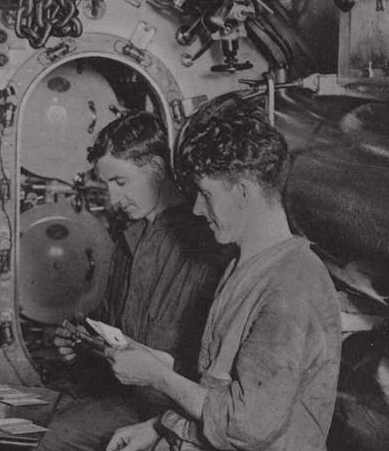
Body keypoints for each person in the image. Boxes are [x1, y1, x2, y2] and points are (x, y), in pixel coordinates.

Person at [103, 93, 341, 451]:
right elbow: (216, 387)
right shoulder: (245, 266)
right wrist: (158, 426)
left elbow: (245, 424)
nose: (197, 209)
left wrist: (158, 376)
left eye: (205, 194)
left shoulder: (291, 286)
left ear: (243, 192)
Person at [39, 111, 230, 451]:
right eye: (107, 184)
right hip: (128, 397)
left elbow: (213, 366)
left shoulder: (206, 244)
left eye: (121, 182)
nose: (113, 199)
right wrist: (80, 347)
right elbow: (115, 332)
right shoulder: (129, 241)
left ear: (157, 168)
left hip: (174, 407)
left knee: (57, 435)